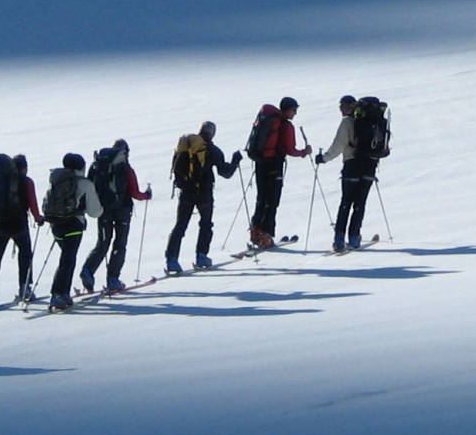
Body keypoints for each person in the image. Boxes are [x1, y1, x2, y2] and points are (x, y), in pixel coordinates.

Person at [165, 121, 242, 273]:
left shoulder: (186, 147)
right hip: (204, 193)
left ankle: (172, 260)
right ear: (212, 133)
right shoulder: (213, 150)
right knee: (205, 224)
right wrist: (235, 161)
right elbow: (225, 172)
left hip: (186, 192)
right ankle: (201, 256)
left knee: (180, 225)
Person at [316, 94, 389, 251]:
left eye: (342, 106)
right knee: (360, 203)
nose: (341, 109)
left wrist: (323, 158)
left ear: (348, 106)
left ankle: (339, 239)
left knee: (346, 202)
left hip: (351, 165)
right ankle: (354, 237)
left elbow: (338, 146)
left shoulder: (347, 122)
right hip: (369, 165)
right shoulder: (374, 121)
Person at [81, 139, 153, 294]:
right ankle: (113, 279)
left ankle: (88, 270)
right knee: (119, 245)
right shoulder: (126, 168)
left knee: (102, 243)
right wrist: (146, 195)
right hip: (123, 211)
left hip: (103, 210)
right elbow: (135, 193)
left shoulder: (99, 166)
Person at [246, 97, 310, 250]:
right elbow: (290, 149)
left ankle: (255, 231)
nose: (295, 113)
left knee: (261, 198)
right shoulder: (285, 126)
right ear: (287, 109)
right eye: (294, 110)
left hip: (260, 162)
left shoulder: (267, 120)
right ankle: (266, 236)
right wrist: (304, 152)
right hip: (274, 164)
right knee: (272, 200)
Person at [0, 152, 41, 309]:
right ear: (24, 168)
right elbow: (33, 203)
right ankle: (24, 287)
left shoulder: (0, 180)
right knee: (25, 254)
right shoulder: (26, 182)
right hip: (19, 224)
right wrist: (38, 218)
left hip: (0, 223)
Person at [40, 153, 95, 309]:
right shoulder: (84, 183)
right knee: (68, 259)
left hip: (55, 224)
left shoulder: (56, 178)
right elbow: (94, 211)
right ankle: (59, 294)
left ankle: (62, 293)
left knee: (66, 258)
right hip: (73, 224)